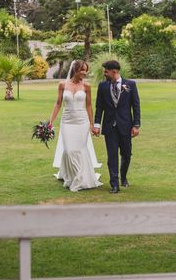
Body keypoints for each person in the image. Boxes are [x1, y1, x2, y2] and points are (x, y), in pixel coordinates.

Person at [49, 60, 102, 191]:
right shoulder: (62, 85)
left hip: (82, 122)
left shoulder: (87, 86)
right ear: (75, 70)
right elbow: (58, 103)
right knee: (68, 150)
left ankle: (79, 178)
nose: (84, 72)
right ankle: (72, 175)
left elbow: (89, 105)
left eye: (86, 70)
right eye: (82, 70)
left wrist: (91, 124)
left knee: (79, 149)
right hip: (67, 121)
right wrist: (50, 121)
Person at [92, 60, 140, 194]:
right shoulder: (102, 87)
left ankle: (123, 177)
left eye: (106, 71)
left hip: (126, 126)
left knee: (127, 154)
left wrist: (136, 125)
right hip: (109, 127)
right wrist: (97, 124)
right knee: (112, 156)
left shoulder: (130, 85)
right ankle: (114, 184)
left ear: (114, 71)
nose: (104, 74)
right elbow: (99, 107)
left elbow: (135, 106)